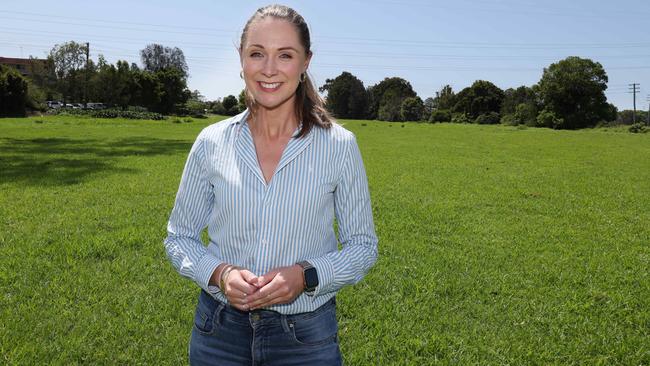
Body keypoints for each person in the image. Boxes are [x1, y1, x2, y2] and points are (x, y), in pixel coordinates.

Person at [163, 4, 378, 365]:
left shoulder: (340, 146)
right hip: (218, 332)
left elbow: (362, 246)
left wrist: (306, 276)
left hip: (306, 337)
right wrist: (220, 272)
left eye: (285, 55)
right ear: (241, 58)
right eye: (257, 53)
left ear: (306, 61)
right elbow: (179, 236)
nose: (269, 69)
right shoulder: (211, 141)